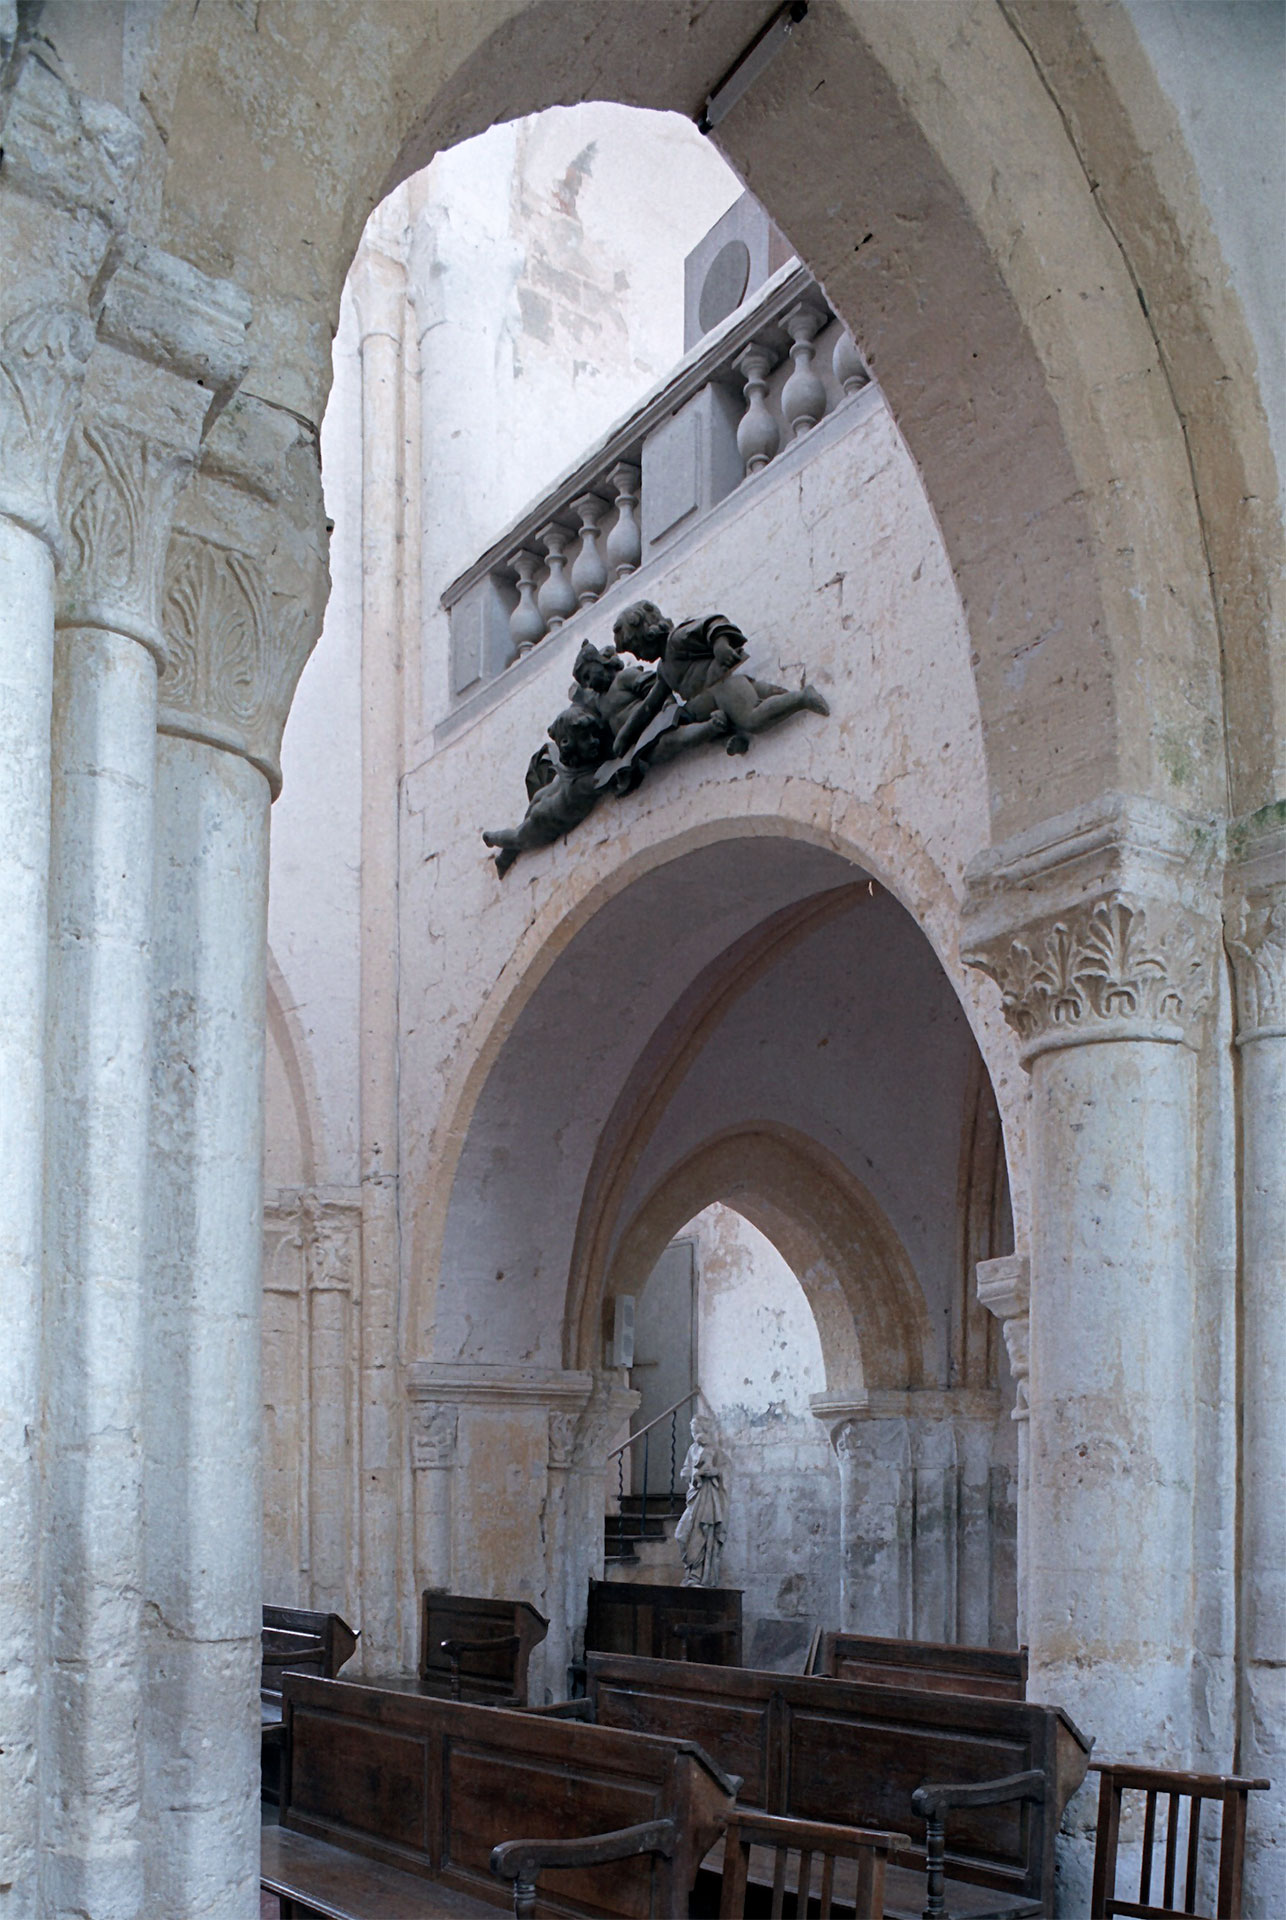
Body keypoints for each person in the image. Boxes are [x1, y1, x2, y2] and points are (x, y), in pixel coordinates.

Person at [610, 600, 829, 759]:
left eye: (637, 649)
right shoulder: (664, 669)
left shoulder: (677, 640)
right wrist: (625, 735)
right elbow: (649, 705)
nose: (638, 657)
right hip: (711, 701)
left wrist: (720, 645)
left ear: (649, 635)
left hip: (723, 688)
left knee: (752, 718)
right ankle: (732, 737)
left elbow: (712, 625)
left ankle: (802, 698)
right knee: (694, 718)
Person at [674, 1415, 727, 1589]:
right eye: (693, 1431)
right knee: (681, 1535)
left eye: (696, 1431)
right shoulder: (692, 1449)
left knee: (703, 1533)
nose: (695, 1434)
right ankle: (691, 1572)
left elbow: (725, 1471)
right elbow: (685, 1470)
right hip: (694, 1496)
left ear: (705, 1430)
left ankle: (698, 1576)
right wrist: (692, 1475)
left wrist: (714, 1472)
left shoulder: (715, 1450)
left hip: (708, 1497)